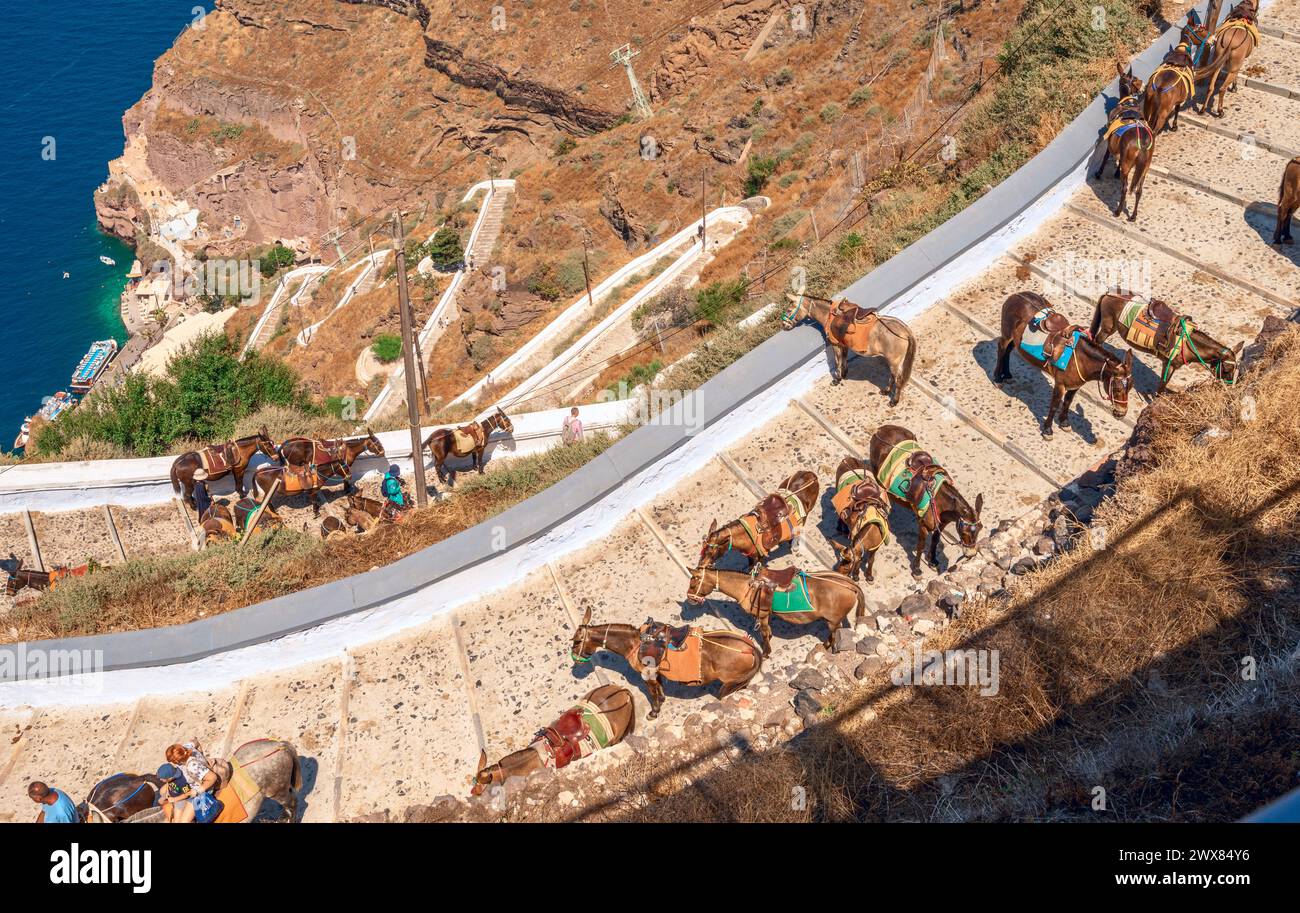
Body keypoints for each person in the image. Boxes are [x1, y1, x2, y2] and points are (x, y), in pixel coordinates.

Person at [160, 743, 218, 823]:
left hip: (200, 791)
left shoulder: (192, 766)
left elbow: (213, 777)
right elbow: (195, 742)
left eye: (173, 762)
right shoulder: (186, 747)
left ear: (177, 761)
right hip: (193, 785)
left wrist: (197, 791)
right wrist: (203, 757)